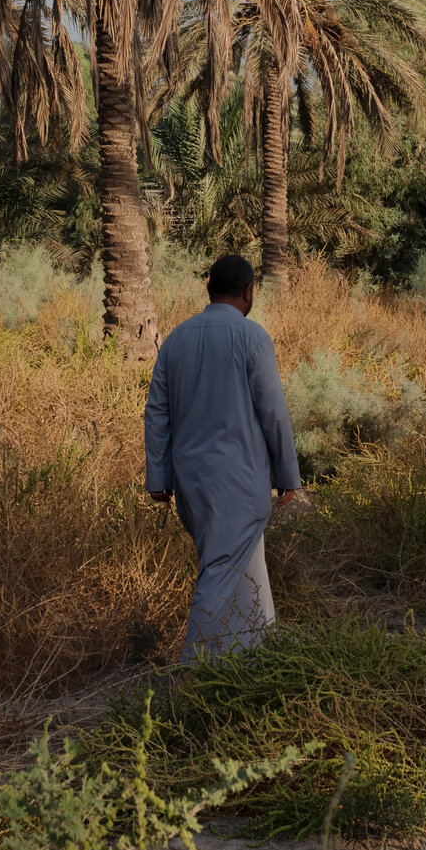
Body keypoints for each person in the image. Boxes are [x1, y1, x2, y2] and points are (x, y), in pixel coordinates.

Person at [145, 253, 303, 660]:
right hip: (240, 481)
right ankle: (195, 672)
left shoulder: (176, 340)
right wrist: (287, 473)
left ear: (208, 288)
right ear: (249, 291)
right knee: (221, 575)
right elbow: (273, 409)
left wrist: (159, 477)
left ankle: (255, 661)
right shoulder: (251, 337)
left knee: (246, 571)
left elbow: (158, 412)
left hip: (192, 485)